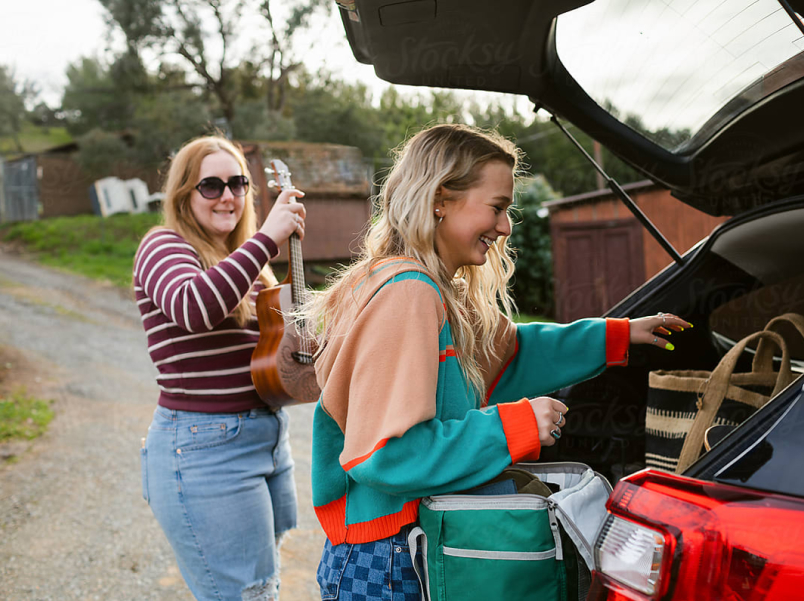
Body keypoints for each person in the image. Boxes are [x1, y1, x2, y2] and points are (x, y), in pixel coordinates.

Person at [301, 123, 690, 600]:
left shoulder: (434, 291)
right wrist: (515, 426)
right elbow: (386, 454)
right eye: (498, 207)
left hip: (405, 543)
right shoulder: (409, 294)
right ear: (440, 198)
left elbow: (512, 353)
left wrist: (619, 335)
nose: (505, 227)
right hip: (387, 557)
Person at [133, 135, 306, 601]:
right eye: (210, 185)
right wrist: (267, 240)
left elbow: (275, 352)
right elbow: (194, 307)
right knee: (245, 594)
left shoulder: (247, 264)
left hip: (267, 437)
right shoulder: (163, 246)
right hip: (205, 448)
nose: (227, 196)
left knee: (262, 586)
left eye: (237, 183)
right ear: (184, 195)